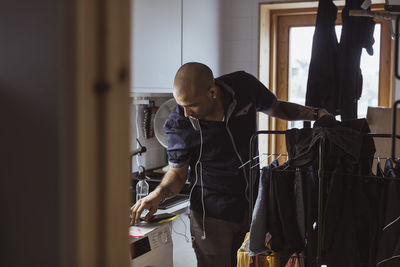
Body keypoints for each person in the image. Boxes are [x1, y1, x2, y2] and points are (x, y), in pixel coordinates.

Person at [130, 62, 330, 267]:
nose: (186, 112)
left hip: (251, 206)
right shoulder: (179, 123)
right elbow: (177, 174)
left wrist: (315, 114)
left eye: (191, 105)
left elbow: (277, 107)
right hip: (212, 215)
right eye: (181, 105)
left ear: (212, 92)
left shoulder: (243, 87)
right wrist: (158, 193)